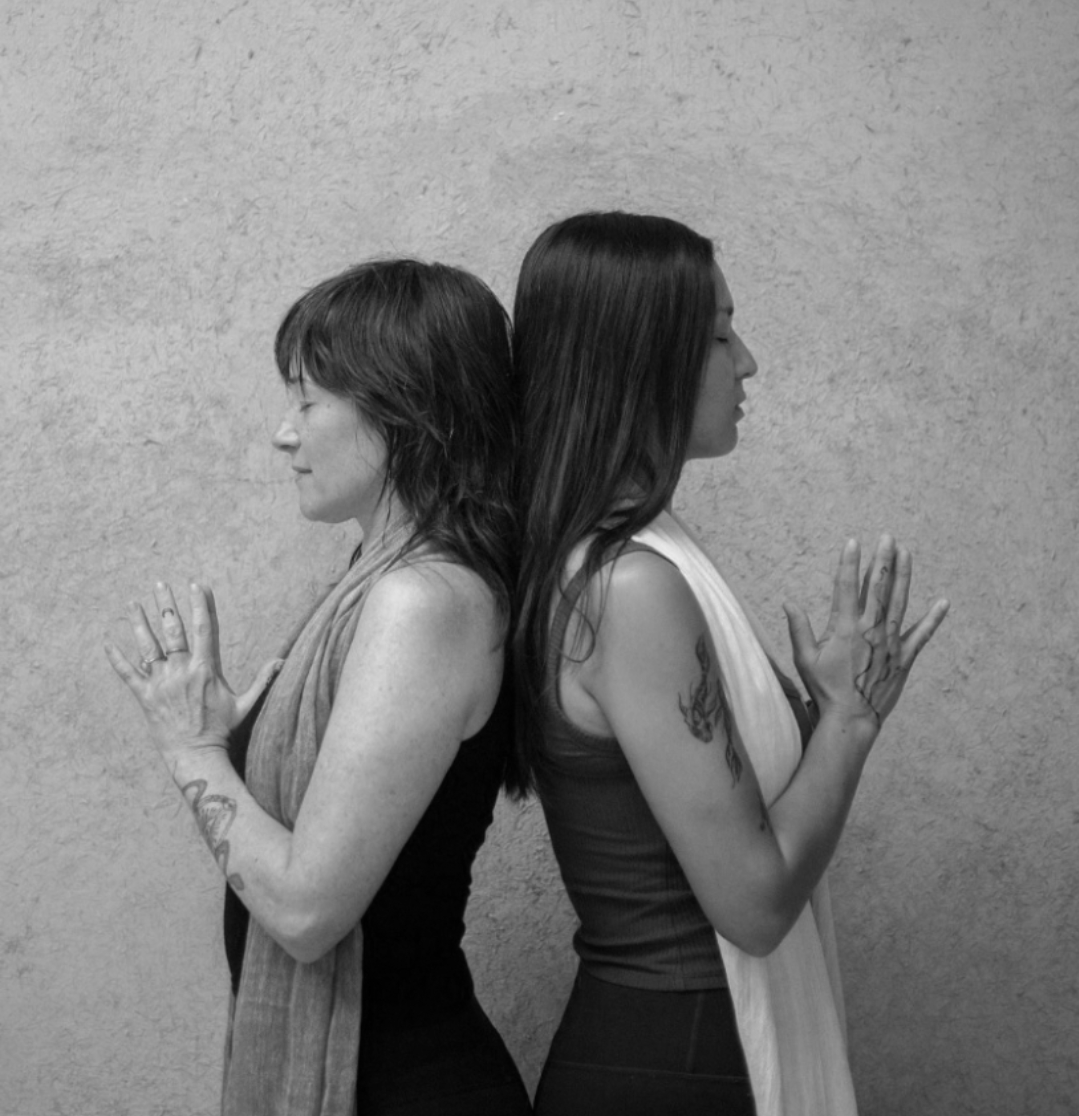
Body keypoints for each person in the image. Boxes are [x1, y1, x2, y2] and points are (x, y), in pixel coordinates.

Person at [510, 211, 950, 1116]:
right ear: (639, 359)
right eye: (716, 335)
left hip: (674, 1051)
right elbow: (751, 903)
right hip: (677, 1064)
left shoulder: (633, 556)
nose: (745, 362)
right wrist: (850, 723)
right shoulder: (627, 587)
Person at [106, 259, 532, 1116]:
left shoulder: (424, 598)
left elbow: (306, 912)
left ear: (402, 408)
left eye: (308, 400)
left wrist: (191, 752)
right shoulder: (378, 577)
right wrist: (237, 744)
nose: (284, 434)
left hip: (404, 1086)